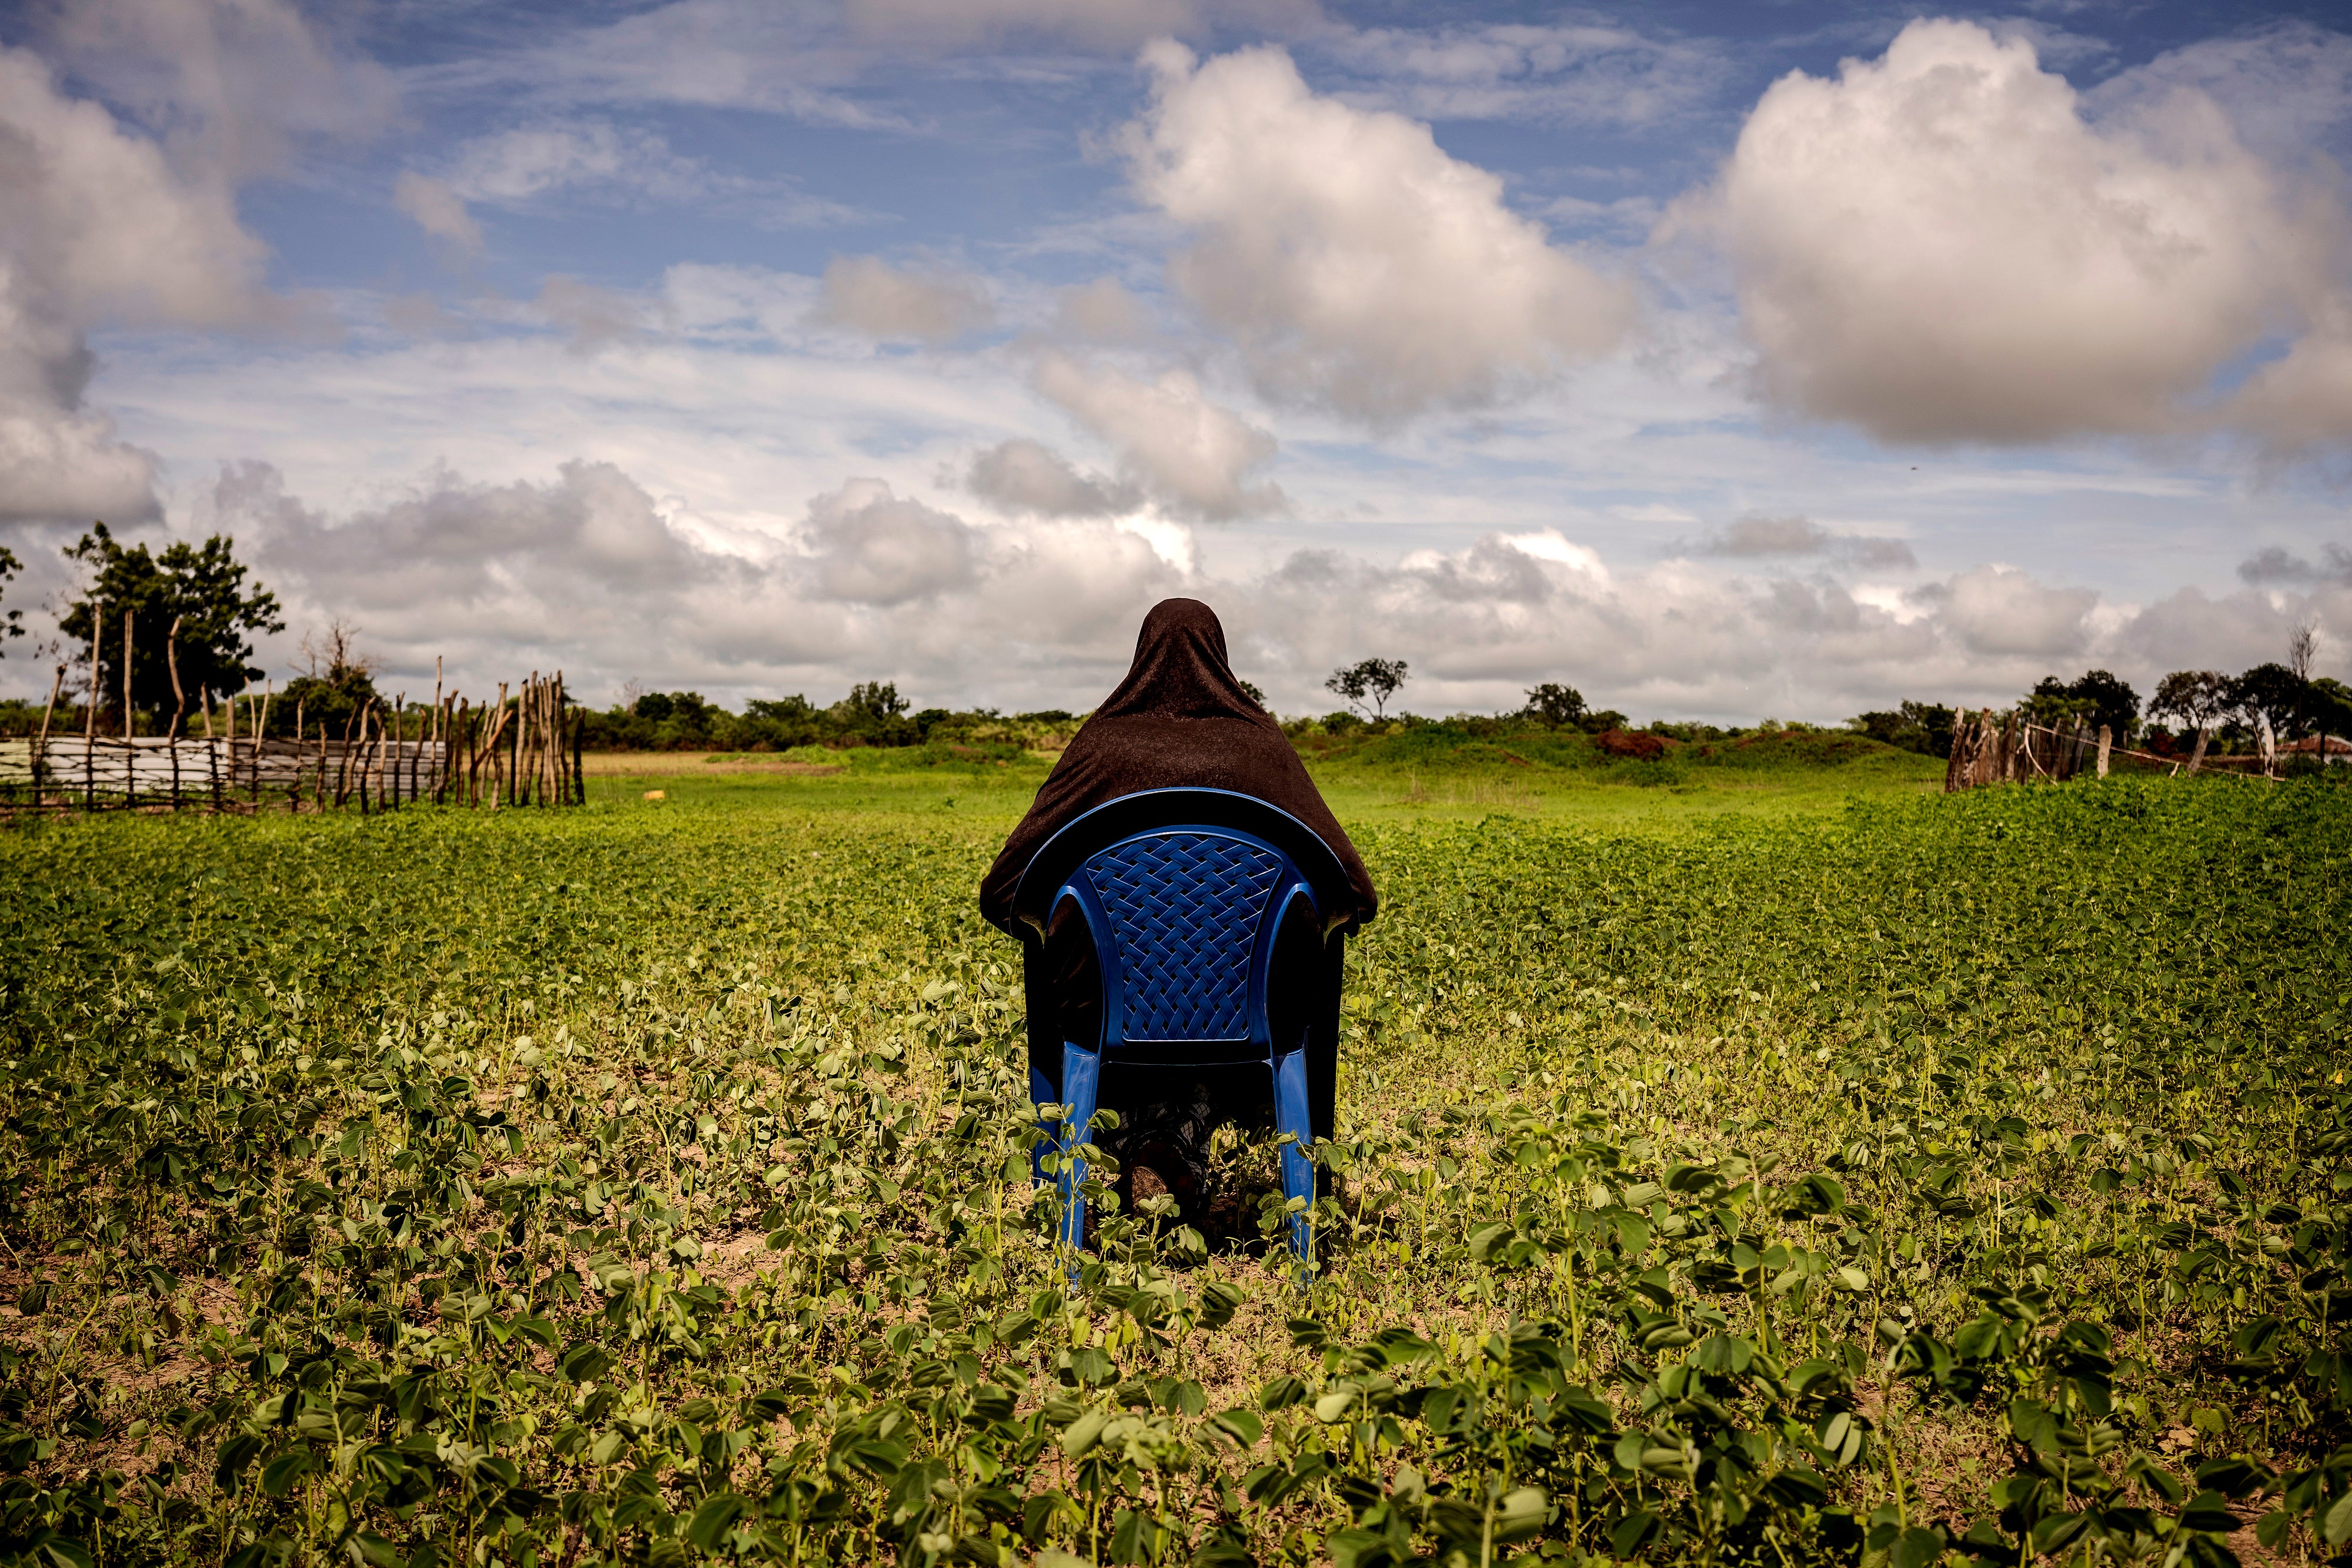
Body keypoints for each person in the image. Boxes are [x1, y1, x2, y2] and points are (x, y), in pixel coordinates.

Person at [979, 598, 1377, 1238]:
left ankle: (1086, 1159)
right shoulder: (1261, 748)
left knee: (1052, 941)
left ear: (1140, 662)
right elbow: (1355, 894)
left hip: (1107, 1020)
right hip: (1252, 1023)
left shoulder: (1100, 746)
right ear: (1221, 661)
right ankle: (1296, 1169)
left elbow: (1002, 892)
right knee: (1317, 949)